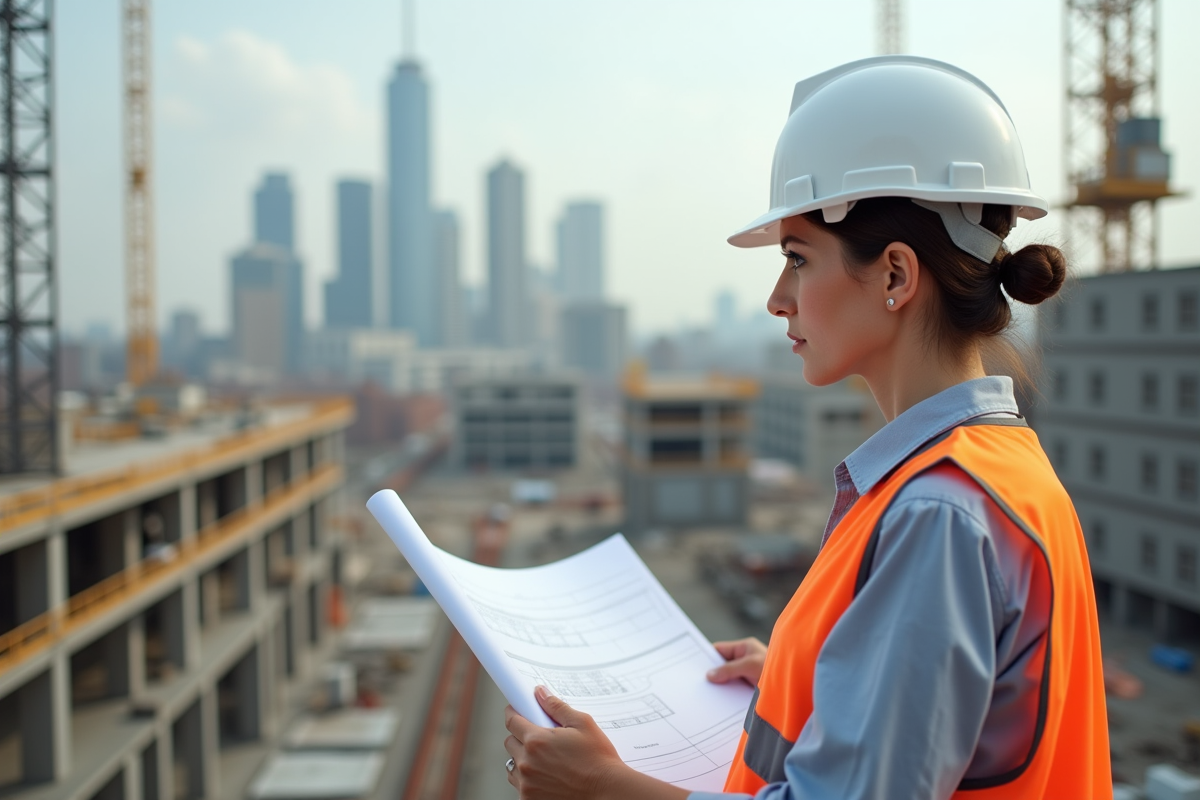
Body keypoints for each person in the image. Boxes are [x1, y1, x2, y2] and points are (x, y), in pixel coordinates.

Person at [502, 56, 1111, 800]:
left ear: (894, 276)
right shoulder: (1004, 469)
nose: (776, 298)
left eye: (797, 259)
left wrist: (602, 787)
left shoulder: (937, 513)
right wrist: (811, 675)